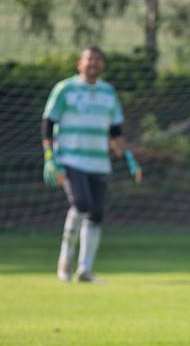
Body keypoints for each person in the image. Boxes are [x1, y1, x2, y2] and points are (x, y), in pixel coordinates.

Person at [41, 45, 142, 283]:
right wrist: (48, 156)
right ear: (79, 63)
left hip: (99, 162)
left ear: (103, 65)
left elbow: (115, 131)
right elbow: (48, 122)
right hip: (70, 159)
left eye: (97, 59)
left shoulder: (108, 93)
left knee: (96, 214)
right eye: (89, 59)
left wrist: (129, 159)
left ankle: (85, 270)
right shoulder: (65, 89)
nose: (93, 63)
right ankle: (65, 263)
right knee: (81, 203)